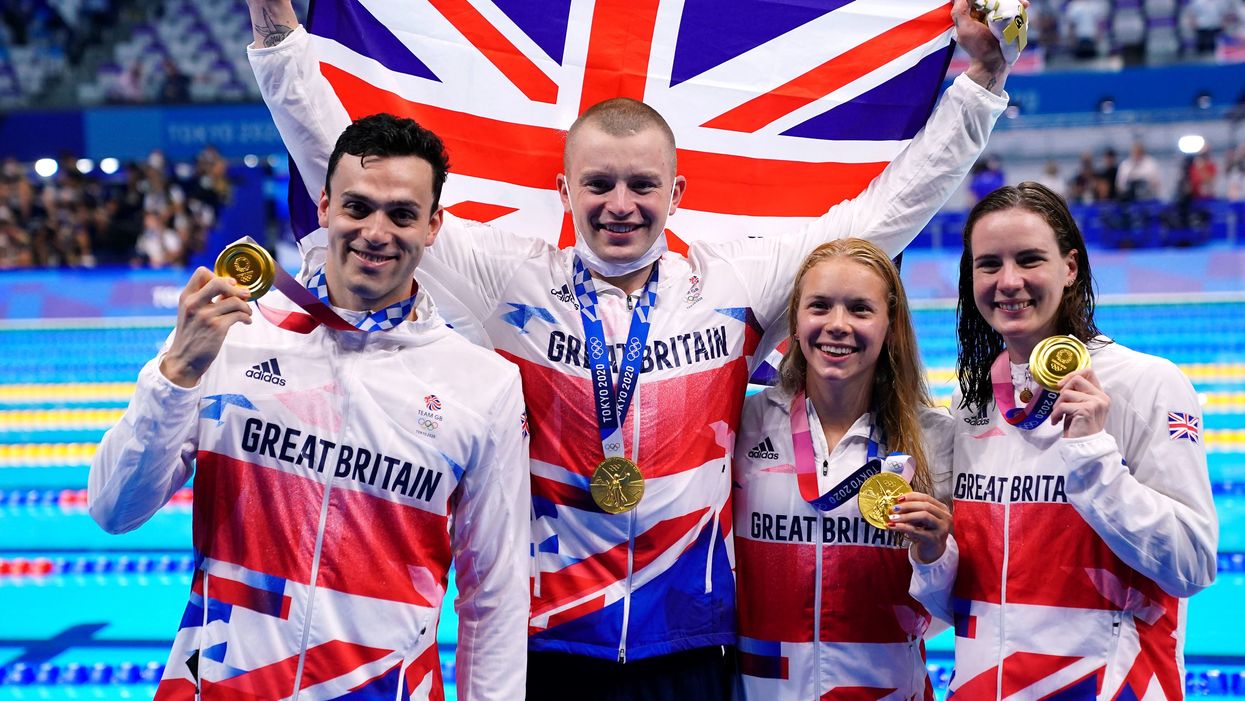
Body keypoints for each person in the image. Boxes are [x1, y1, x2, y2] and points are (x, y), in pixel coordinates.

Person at [244, 0, 1015, 697]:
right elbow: (345, 171)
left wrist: (979, 82)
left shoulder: (735, 283)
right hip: (547, 647)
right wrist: (273, 26)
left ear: (676, 194)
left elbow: (888, 210)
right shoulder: (505, 282)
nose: (621, 205)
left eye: (642, 185)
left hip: (692, 650)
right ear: (564, 190)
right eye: (599, 184)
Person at [87, 114, 530, 700]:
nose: (376, 232)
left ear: (432, 228)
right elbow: (114, 510)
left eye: (401, 215)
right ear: (324, 208)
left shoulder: (483, 386)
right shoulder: (231, 336)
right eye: (357, 207)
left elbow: (494, 595)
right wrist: (176, 375)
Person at [910, 182, 1218, 698]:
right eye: (989, 265)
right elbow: (960, 607)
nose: (1009, 282)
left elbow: (1192, 563)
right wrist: (932, 555)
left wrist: (1095, 456)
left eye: (1029, 259)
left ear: (1070, 268)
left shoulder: (1146, 384)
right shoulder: (973, 407)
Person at [732, 239, 953, 699]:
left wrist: (935, 554)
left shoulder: (936, 440)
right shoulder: (743, 427)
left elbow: (959, 608)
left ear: (890, 327)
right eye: (820, 307)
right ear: (795, 321)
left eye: (859, 309)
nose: (837, 325)